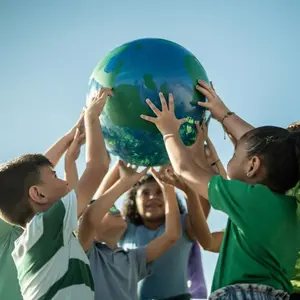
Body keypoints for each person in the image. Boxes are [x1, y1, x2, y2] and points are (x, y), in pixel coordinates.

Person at [140, 82, 300, 299]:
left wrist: (169, 131)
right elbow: (267, 150)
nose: (229, 159)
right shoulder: (289, 211)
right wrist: (219, 119)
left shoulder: (253, 200)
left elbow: (184, 169)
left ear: (253, 166)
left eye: (235, 155)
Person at [0, 88, 112, 300]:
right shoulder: (45, 227)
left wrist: (70, 156)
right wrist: (91, 117)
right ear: (39, 195)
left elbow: (31, 177)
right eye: (55, 175)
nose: (64, 181)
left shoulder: (47, 235)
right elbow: (98, 166)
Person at [0, 113, 85, 300]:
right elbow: (25, 182)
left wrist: (70, 139)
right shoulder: (10, 229)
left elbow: (30, 177)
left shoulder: (36, 222)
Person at [78, 161, 181, 300]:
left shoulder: (133, 259)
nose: (117, 211)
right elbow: (90, 216)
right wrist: (123, 183)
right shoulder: (85, 252)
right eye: (111, 208)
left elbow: (171, 235)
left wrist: (168, 189)